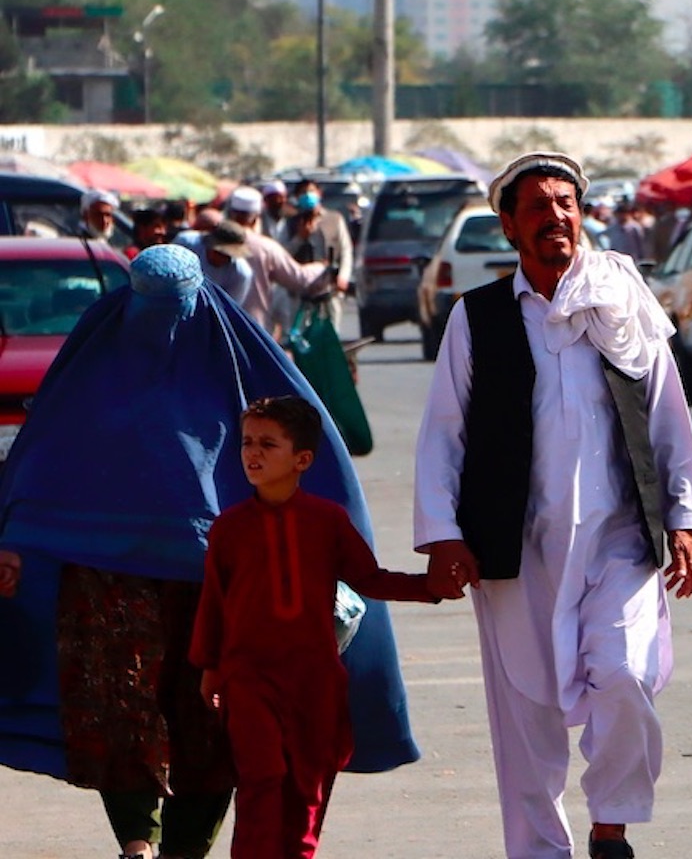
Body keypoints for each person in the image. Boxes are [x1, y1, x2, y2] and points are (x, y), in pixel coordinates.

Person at [0, 245, 419, 859]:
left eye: (175, 306)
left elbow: (307, 459)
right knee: (120, 706)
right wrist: (13, 542)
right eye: (150, 305)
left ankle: (186, 848)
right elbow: (44, 460)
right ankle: (138, 841)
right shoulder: (92, 369)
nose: (162, 323)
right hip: (107, 577)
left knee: (213, 723)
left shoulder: (238, 368)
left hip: (217, 577)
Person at [413, 152, 692, 859]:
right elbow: (444, 432)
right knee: (526, 717)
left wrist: (684, 516)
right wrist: (443, 534)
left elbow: (667, 413)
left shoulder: (623, 302)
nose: (556, 218)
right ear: (509, 225)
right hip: (517, 548)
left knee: (628, 676)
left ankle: (612, 827)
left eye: (566, 203)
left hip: (622, 542)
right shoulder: (476, 317)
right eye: (538, 207)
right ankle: (540, 851)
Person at [191, 396, 440, 859]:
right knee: (260, 778)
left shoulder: (327, 522)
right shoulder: (229, 529)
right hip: (249, 679)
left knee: (308, 786)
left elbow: (369, 579)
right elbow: (215, 602)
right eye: (247, 443)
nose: (253, 454)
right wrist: (209, 667)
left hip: (315, 681)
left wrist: (429, 586)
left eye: (268, 444)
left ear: (302, 459)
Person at [222, 186, 327, 337]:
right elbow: (298, 277)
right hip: (252, 328)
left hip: (216, 328)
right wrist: (321, 267)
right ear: (256, 217)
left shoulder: (205, 242)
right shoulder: (264, 247)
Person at [275, 182, 354, 331]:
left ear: (319, 194)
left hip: (329, 290)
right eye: (303, 193)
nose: (307, 196)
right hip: (300, 294)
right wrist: (299, 237)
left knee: (330, 336)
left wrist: (343, 277)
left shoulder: (334, 219)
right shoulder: (291, 223)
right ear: (297, 198)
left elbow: (345, 250)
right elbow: (282, 255)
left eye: (310, 191)